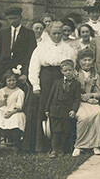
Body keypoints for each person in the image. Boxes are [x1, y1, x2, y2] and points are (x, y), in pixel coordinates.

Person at [28, 21, 76, 153]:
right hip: (46, 79)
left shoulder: (69, 49)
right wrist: (35, 85)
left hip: (62, 79)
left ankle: (62, 145)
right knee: (45, 109)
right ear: (48, 34)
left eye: (59, 33)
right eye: (54, 33)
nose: (56, 36)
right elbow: (34, 68)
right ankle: (42, 145)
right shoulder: (41, 48)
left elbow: (73, 67)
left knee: (62, 108)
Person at [0, 6, 37, 87]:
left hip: (20, 72)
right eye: (9, 18)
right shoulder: (3, 33)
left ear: (20, 18)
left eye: (14, 18)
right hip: (3, 72)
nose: (12, 21)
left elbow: (31, 56)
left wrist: (25, 73)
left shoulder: (29, 33)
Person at [45, 59, 81, 158]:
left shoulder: (76, 84)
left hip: (67, 110)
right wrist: (47, 109)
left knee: (64, 130)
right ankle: (54, 149)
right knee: (55, 131)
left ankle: (61, 149)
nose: (68, 72)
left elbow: (77, 99)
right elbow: (51, 96)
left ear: (73, 70)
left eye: (70, 70)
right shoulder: (57, 82)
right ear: (61, 71)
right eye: (65, 70)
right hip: (55, 109)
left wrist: (73, 109)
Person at [73, 48, 100, 157]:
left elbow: (99, 93)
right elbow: (72, 92)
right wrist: (84, 98)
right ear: (79, 61)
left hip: (91, 101)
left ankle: (96, 145)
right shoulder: (75, 74)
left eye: (89, 60)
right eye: (84, 60)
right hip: (77, 102)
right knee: (83, 117)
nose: (86, 63)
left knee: (98, 112)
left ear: (93, 61)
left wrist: (90, 96)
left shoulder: (95, 75)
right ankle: (79, 145)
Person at [0, 68, 26, 155]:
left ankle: (16, 146)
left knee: (16, 120)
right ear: (5, 81)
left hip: (14, 112)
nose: (11, 82)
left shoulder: (20, 92)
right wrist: (2, 103)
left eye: (13, 80)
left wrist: (11, 113)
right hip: (2, 111)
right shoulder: (1, 91)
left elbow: (19, 106)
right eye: (9, 81)